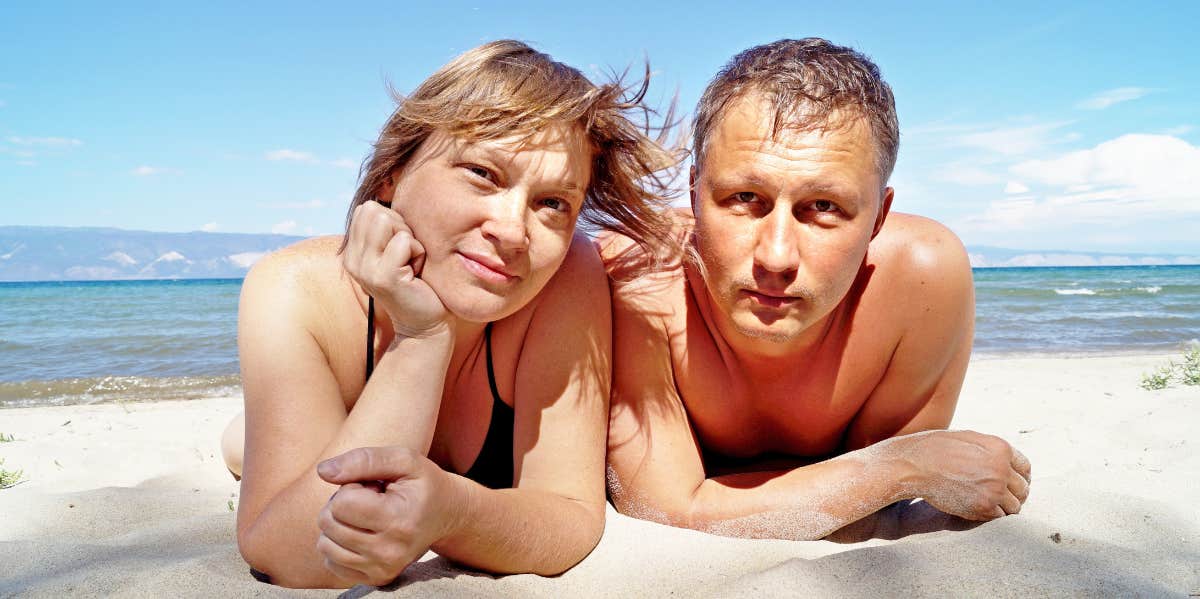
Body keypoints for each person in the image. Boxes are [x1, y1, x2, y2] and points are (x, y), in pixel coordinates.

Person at [222, 40, 678, 588]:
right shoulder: (295, 289)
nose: (512, 230)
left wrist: (452, 512)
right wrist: (420, 336)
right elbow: (286, 553)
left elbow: (571, 518)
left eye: (553, 203)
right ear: (392, 172)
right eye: (483, 173)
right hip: (303, 431)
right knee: (241, 447)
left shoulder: (566, 275)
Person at [601, 38, 1031, 541]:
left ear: (879, 218)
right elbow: (664, 507)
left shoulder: (923, 279)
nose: (776, 256)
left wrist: (870, 481)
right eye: (744, 198)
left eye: (823, 207)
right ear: (695, 195)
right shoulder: (638, 273)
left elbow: (870, 508)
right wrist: (903, 467)